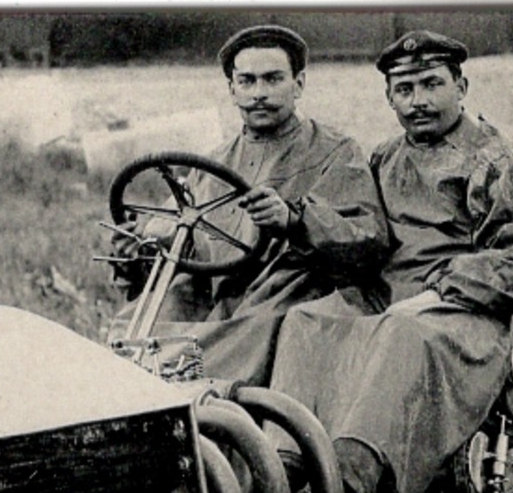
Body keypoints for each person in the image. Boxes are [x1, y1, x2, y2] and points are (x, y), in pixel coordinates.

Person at [267, 30, 513, 493]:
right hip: (388, 299)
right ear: (389, 98)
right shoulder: (384, 159)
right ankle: (284, 464)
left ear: (461, 87)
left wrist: (441, 288)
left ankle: (350, 479)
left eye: (431, 85)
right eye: (404, 90)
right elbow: (363, 231)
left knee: (401, 331)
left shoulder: (504, 162)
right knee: (304, 321)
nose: (418, 101)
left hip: (469, 317)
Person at [108, 25, 386, 386]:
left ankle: (209, 416)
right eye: (248, 81)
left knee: (224, 343)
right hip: (214, 295)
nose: (259, 94)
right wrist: (138, 251)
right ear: (232, 89)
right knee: (132, 326)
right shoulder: (212, 164)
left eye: (273, 80)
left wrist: (295, 220)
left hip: (290, 291)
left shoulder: (335, 151)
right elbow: (180, 240)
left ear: (298, 84)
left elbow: (368, 240)